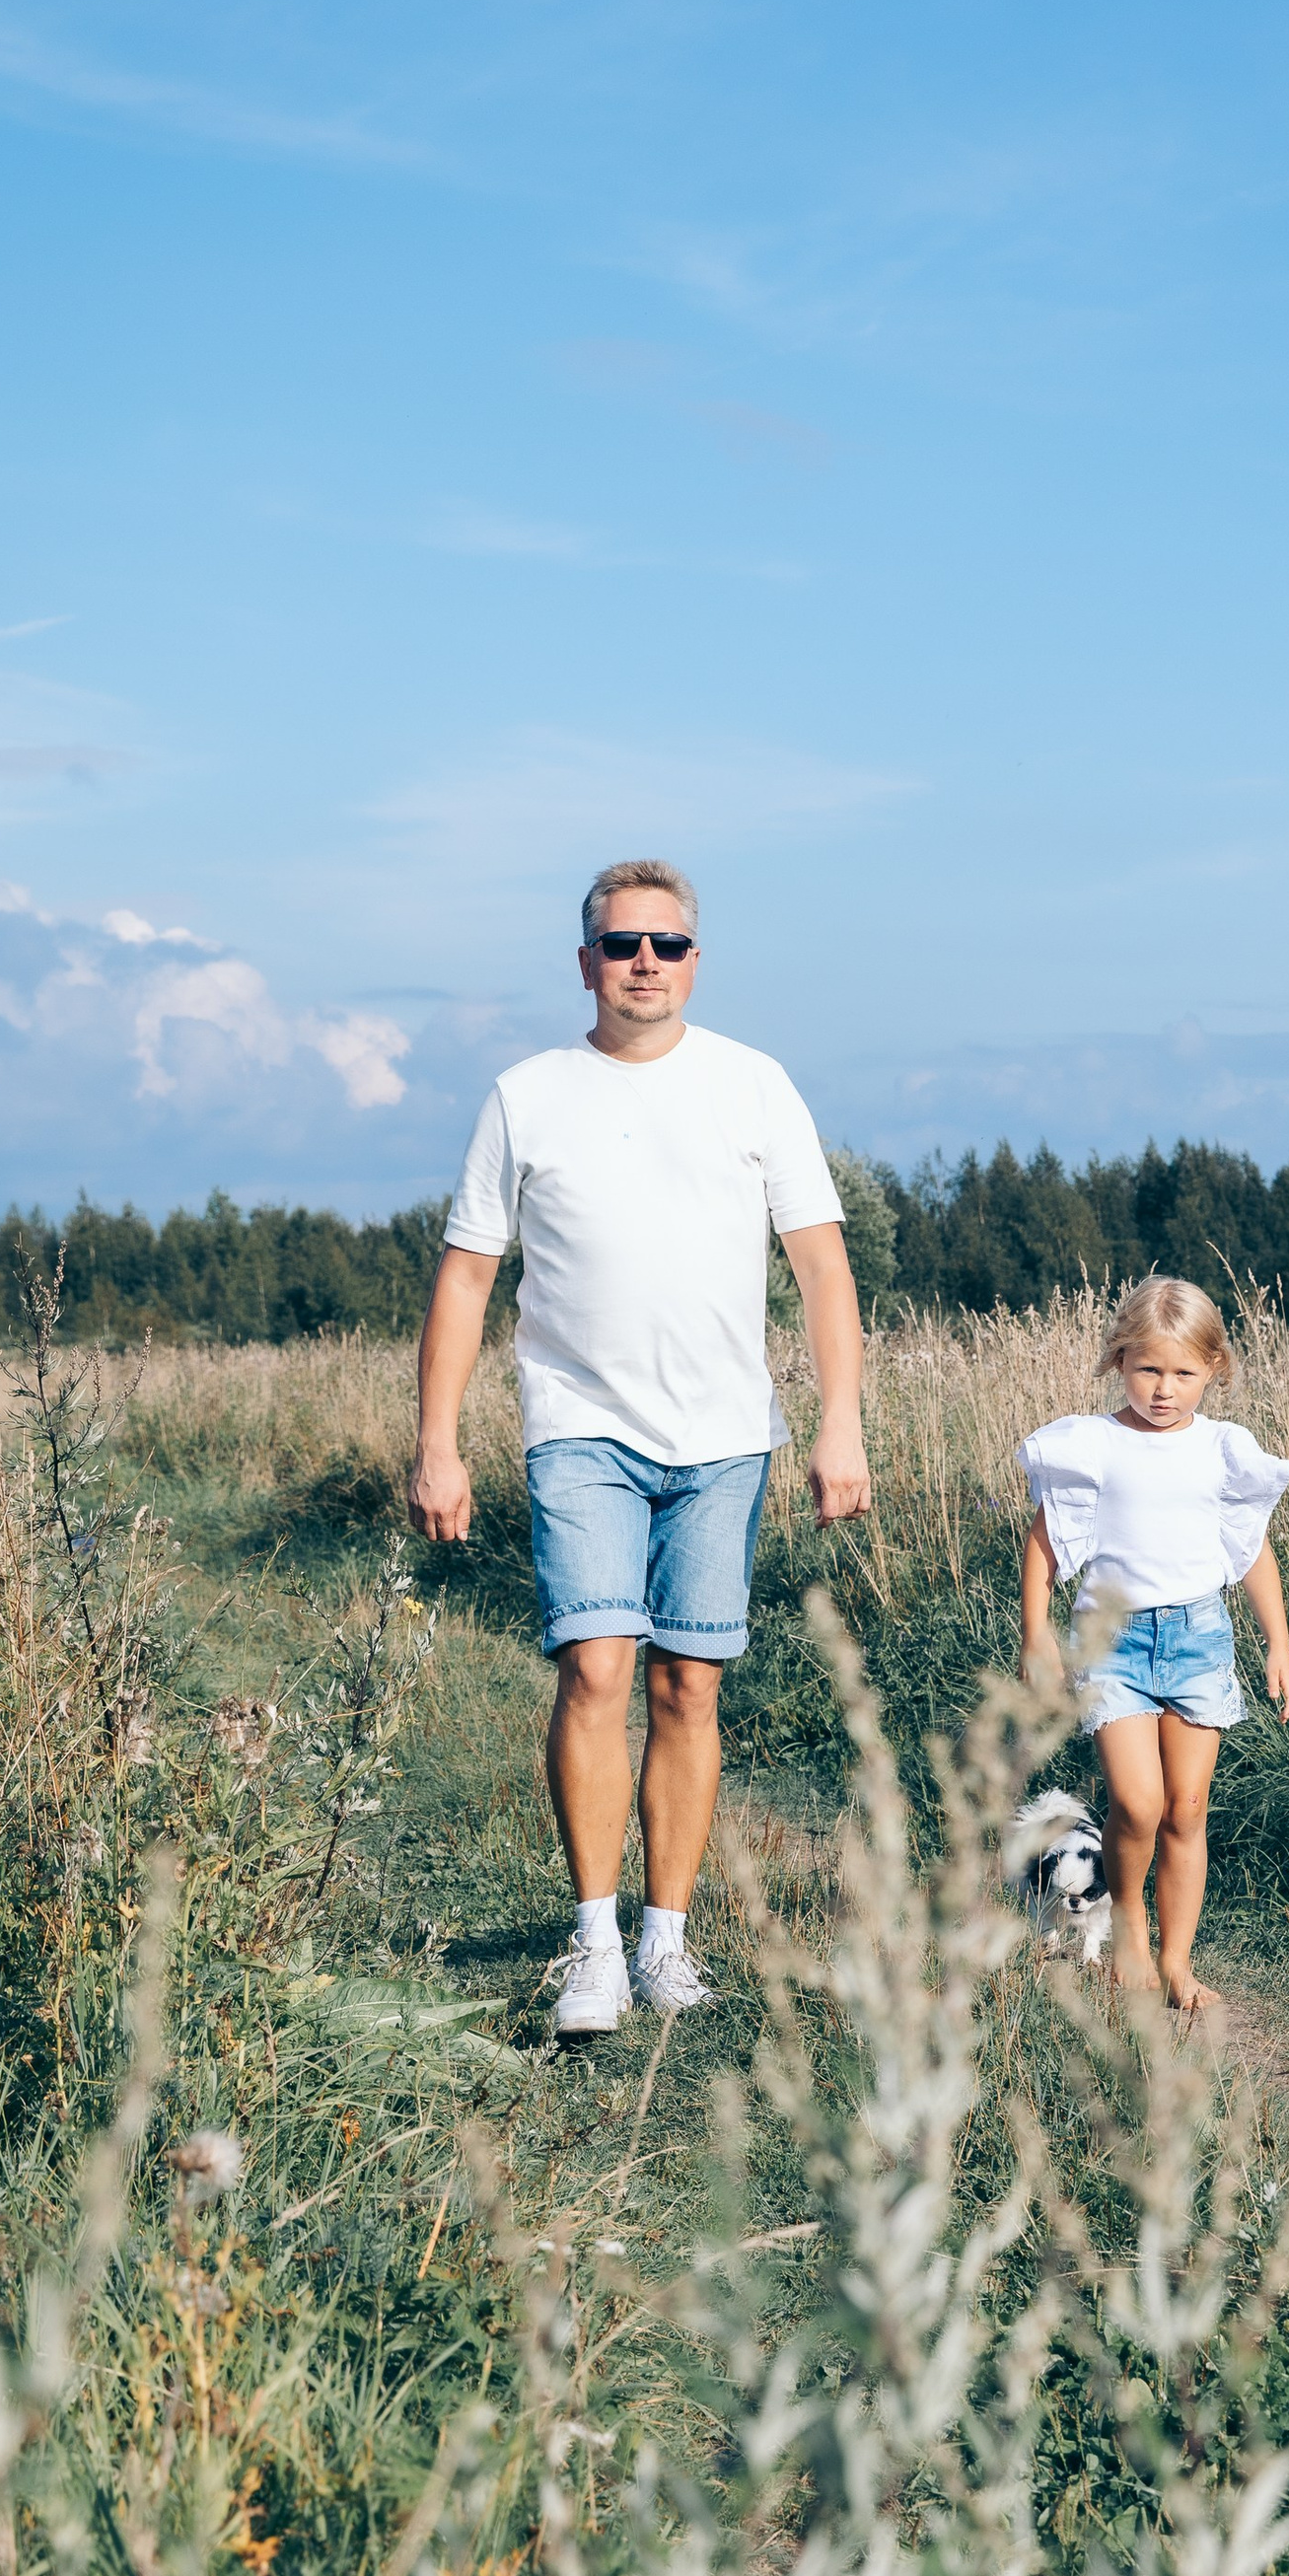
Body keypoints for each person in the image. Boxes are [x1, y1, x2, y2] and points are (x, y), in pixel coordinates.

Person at [409, 857, 871, 2034]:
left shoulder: (754, 1086)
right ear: (586, 963)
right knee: (597, 1670)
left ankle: (667, 1944)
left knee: (687, 1686)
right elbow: (467, 1277)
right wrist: (439, 1443)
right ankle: (597, 1945)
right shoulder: (526, 1095)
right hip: (580, 1429)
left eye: (666, 945)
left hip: (723, 1438)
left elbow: (821, 1264)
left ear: (695, 961)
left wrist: (839, 1422)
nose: (645, 964)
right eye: (622, 946)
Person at [1017, 1274, 1289, 2016]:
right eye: (1147, 1369)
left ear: (1214, 1368)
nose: (1164, 1389)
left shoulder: (1224, 1450)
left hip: (1200, 1637)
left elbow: (1251, 1553)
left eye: (1182, 1373)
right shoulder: (1094, 1446)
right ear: (1119, 1361)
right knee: (1137, 1805)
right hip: (1115, 1643)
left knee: (1187, 1806)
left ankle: (1178, 1961)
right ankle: (1130, 1925)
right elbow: (1043, 1546)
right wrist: (1036, 1633)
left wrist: (1278, 1644)